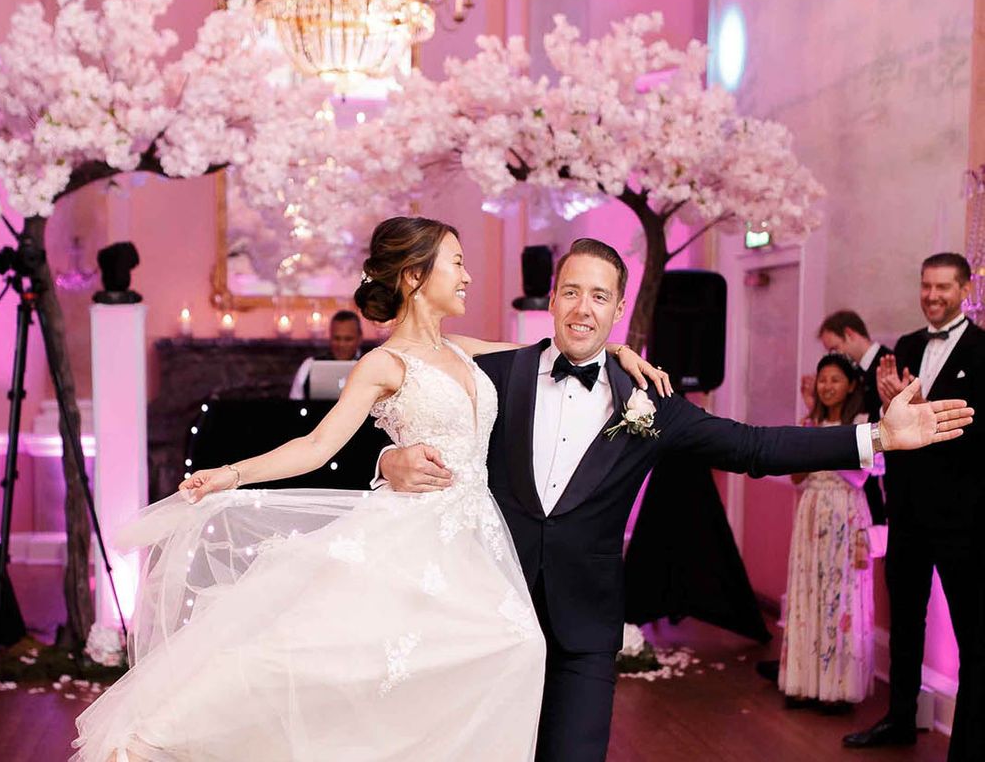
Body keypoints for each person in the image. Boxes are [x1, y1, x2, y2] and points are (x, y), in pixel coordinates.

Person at [71, 217, 669, 762]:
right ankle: (157, 738)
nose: (467, 275)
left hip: (475, 545)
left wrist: (615, 350)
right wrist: (230, 473)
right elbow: (316, 446)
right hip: (408, 538)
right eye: (455, 263)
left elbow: (553, 352)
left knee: (507, 651)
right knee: (309, 656)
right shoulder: (384, 364)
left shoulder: (463, 350)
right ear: (415, 277)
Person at [379, 237, 972, 762]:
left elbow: (753, 446)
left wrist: (878, 436)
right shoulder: (497, 374)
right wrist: (386, 460)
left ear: (618, 309)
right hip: (495, 618)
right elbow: (401, 381)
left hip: (585, 633)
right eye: (571, 292)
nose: (583, 309)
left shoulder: (650, 401)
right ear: (553, 299)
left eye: (600, 297)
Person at [845, 253, 985, 760]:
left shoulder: (982, 349)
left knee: (971, 633)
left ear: (965, 289)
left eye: (943, 287)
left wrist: (919, 406)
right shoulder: (904, 346)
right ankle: (900, 718)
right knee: (905, 621)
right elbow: (894, 433)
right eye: (926, 286)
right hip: (907, 512)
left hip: (961, 521)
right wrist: (890, 406)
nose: (932, 296)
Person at [780, 353, 882, 712]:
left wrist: (819, 446)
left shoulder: (865, 426)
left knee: (842, 597)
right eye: (822, 379)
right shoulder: (807, 424)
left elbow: (858, 476)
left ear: (851, 385)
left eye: (835, 379)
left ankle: (839, 688)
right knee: (809, 591)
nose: (827, 386)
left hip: (846, 515)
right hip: (811, 515)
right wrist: (806, 441)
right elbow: (795, 477)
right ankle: (804, 682)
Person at [802, 310, 892, 525]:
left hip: (879, 481)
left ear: (850, 334)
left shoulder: (888, 363)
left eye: (834, 348)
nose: (835, 356)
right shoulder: (858, 374)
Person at [289, 309, 365, 400]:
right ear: (330, 336)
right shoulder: (310, 365)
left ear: (360, 338)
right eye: (336, 338)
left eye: (348, 339)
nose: (341, 344)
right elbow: (294, 402)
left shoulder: (371, 365)